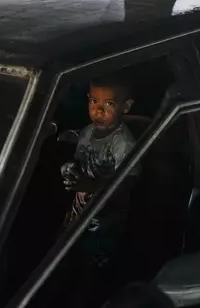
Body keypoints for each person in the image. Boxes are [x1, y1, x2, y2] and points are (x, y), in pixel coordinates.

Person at [53, 75, 140, 307]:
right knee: (64, 265)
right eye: (93, 102)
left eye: (108, 104)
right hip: (76, 217)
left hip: (104, 227)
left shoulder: (124, 145)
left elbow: (125, 186)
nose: (98, 111)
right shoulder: (87, 132)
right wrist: (70, 169)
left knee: (89, 277)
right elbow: (80, 161)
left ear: (126, 107)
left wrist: (90, 187)